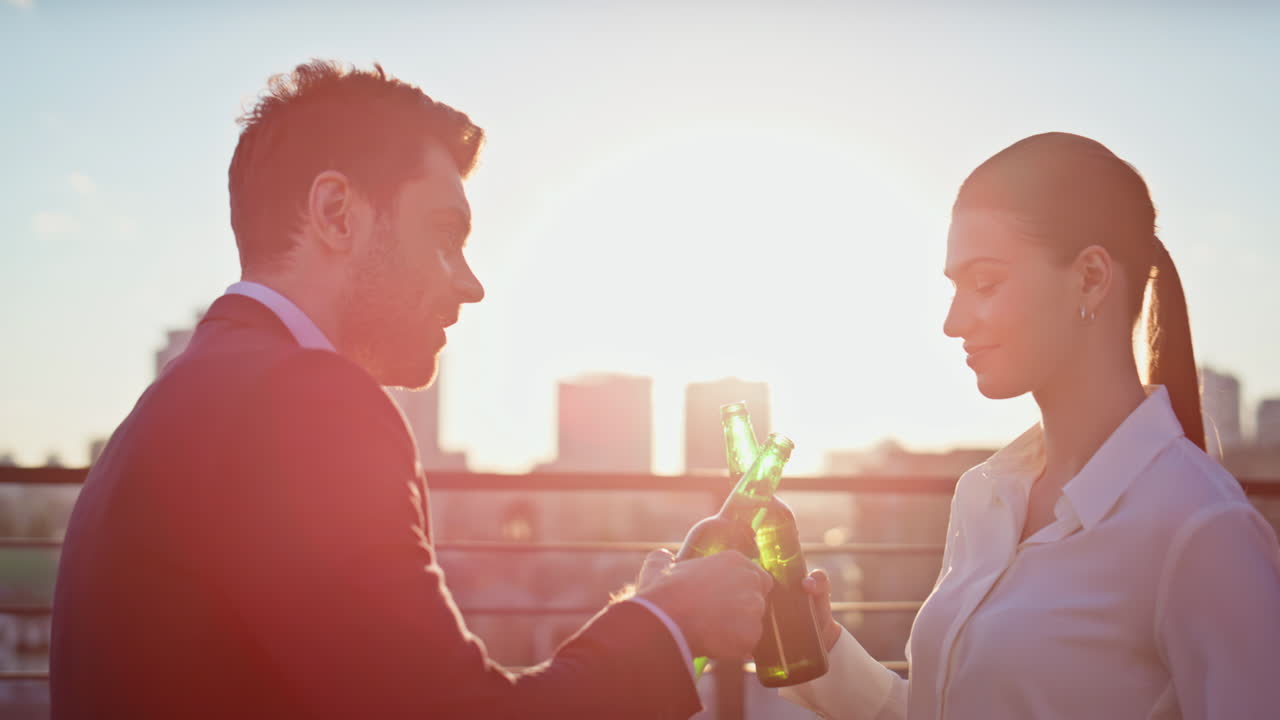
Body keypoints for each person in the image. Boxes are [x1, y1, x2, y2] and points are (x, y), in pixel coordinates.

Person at [49, 60, 773, 719]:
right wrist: (674, 624)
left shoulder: (182, 400)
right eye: (444, 234)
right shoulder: (309, 399)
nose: (471, 283)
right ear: (336, 214)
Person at [783, 132, 1280, 719]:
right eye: (954, 287)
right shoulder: (985, 497)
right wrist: (822, 646)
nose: (951, 321)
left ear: (1092, 277)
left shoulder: (1202, 530)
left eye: (985, 283)